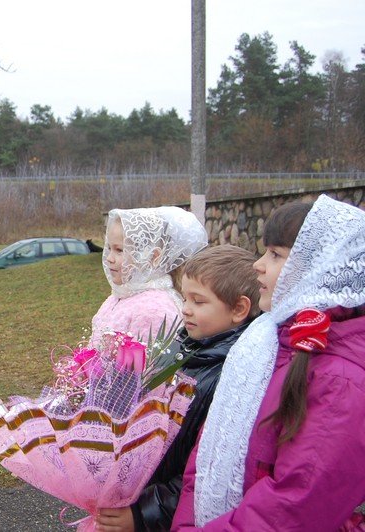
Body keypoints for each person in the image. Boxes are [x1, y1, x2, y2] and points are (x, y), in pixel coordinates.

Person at [172, 196, 365, 530]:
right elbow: (208, 454)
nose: (258, 264)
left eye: (276, 255)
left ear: (317, 269)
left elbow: (294, 507)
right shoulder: (262, 343)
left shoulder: (340, 378)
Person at [95, 245, 261, 531]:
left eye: (198, 301)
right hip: (141, 491)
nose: (185, 309)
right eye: (185, 298)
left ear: (238, 309)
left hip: (165, 512)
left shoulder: (232, 376)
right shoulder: (181, 346)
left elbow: (207, 473)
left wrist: (144, 513)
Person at [88, 206, 208, 346]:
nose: (109, 258)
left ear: (153, 256)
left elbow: (154, 366)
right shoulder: (122, 295)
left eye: (119, 250)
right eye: (109, 248)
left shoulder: (153, 310)